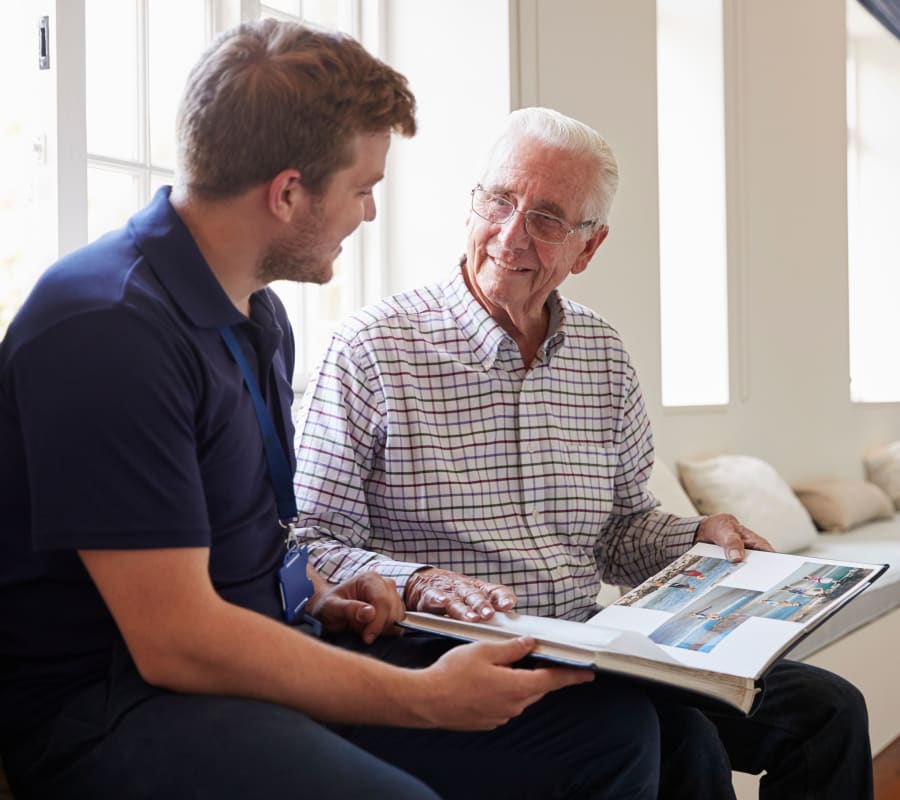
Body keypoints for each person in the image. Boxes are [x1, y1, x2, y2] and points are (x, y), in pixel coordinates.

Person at [0, 24, 675, 800]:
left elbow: (255, 538)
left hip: (257, 652)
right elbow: (176, 642)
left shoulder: (256, 317)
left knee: (610, 735)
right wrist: (425, 700)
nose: (370, 215)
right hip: (118, 705)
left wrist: (320, 591)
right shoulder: (105, 327)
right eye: (362, 189)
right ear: (288, 194)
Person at [292, 106, 875, 799]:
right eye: (500, 201)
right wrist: (421, 580)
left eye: (546, 218)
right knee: (679, 739)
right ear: (472, 203)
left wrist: (698, 535)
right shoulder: (370, 349)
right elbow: (311, 543)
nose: (511, 235)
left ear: (587, 249)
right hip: (445, 651)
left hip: (594, 641)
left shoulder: (602, 356)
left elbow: (622, 531)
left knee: (829, 713)